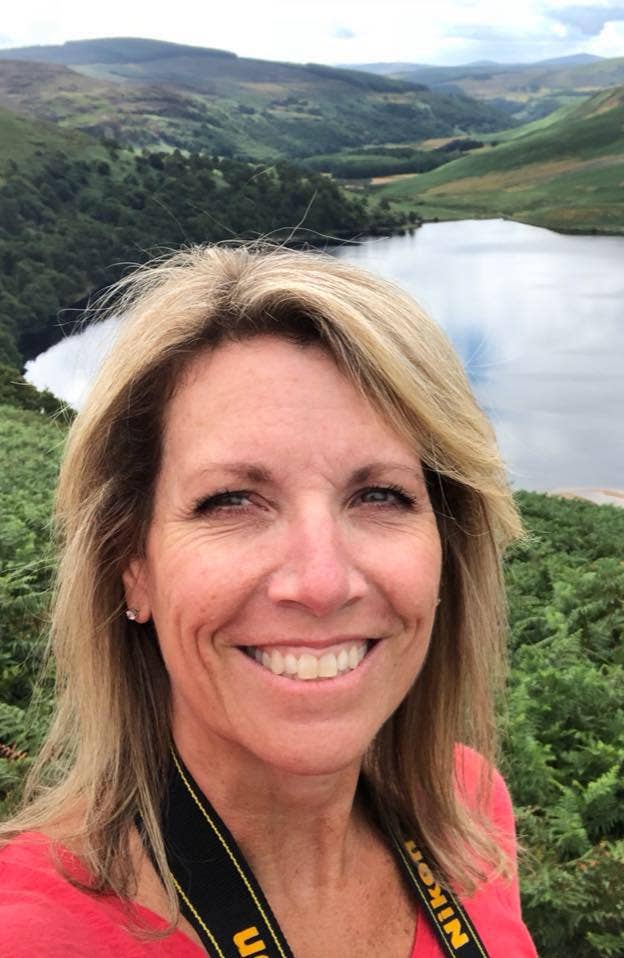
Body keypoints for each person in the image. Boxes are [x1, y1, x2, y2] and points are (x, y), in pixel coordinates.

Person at [0, 244, 537, 957]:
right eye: (230, 501)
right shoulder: (33, 935)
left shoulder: (466, 805)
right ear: (132, 564)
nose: (321, 583)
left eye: (381, 495)